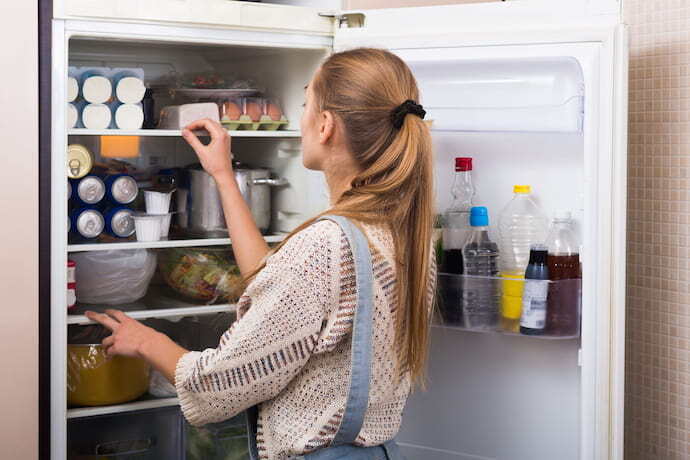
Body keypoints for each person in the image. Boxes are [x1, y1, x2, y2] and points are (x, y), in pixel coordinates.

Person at [86, 47, 436, 460]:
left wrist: (146, 341)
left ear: (324, 126)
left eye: (307, 104)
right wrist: (222, 174)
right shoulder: (401, 234)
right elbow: (273, 282)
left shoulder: (324, 246)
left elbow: (217, 389)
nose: (302, 117)